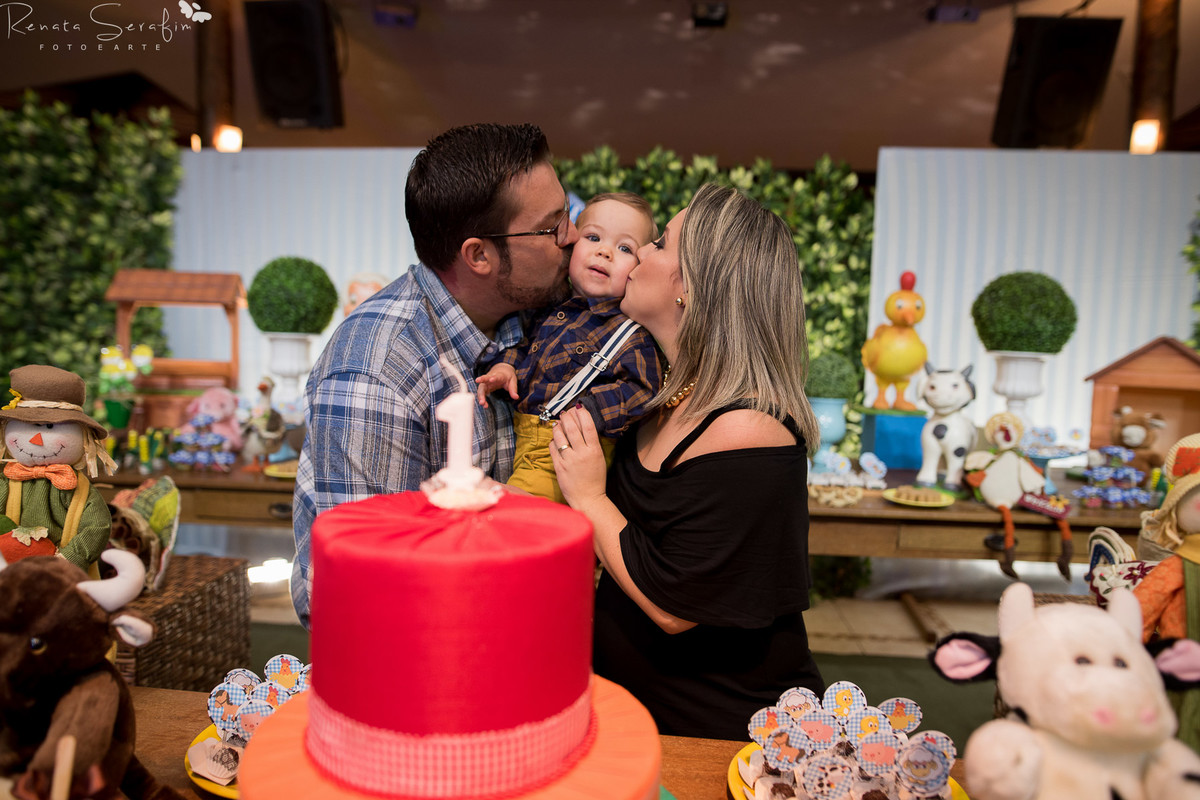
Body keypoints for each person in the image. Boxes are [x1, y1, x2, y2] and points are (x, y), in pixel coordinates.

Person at [549, 183, 825, 739]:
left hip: (722, 737)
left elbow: (674, 605)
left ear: (691, 289)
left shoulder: (748, 429)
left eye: (658, 244)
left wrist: (588, 496)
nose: (639, 255)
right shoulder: (664, 395)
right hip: (644, 721)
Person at [291, 123, 578, 628]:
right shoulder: (376, 370)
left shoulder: (533, 317)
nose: (571, 238)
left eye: (568, 215)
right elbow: (362, 594)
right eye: (551, 227)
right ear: (479, 255)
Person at [476, 193, 665, 503]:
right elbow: (525, 347)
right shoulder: (550, 307)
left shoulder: (628, 332)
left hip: (567, 446)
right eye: (593, 237)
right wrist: (505, 367)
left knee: (512, 510)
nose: (604, 252)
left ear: (638, 269)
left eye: (624, 248)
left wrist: (590, 409)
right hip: (526, 436)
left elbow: (645, 389)